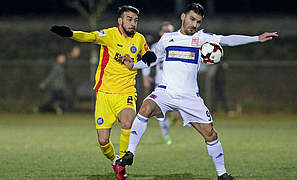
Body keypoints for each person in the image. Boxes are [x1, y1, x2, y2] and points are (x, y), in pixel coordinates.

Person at [116, 3, 278, 180]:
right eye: (192, 19)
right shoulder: (167, 38)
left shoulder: (202, 38)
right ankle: (130, 153)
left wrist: (256, 38)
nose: (194, 24)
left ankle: (222, 174)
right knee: (145, 108)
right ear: (183, 17)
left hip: (189, 97)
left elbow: (227, 39)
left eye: (198, 22)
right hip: (166, 91)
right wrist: (133, 65)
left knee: (211, 134)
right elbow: (152, 59)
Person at [50, 5, 156, 180]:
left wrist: (149, 57)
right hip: (105, 94)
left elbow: (148, 56)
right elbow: (89, 36)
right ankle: (115, 160)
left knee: (128, 121)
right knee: (103, 141)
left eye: (135, 20)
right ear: (120, 21)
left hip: (126, 92)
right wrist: (71, 34)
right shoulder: (109, 35)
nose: (133, 24)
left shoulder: (139, 39)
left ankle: (122, 161)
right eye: (129, 19)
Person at [142, 21, 176, 145]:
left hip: (177, 84)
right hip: (160, 84)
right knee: (161, 111)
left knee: (177, 113)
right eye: (166, 31)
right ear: (161, 33)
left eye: (170, 31)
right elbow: (148, 62)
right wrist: (145, 76)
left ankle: (172, 119)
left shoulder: (178, 45)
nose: (168, 34)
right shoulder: (156, 46)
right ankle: (166, 135)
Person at [65, 46, 81, 112]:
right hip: (68, 82)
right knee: (68, 96)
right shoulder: (68, 59)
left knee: (74, 96)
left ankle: (71, 110)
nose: (78, 53)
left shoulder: (78, 60)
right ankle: (67, 110)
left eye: (78, 51)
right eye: (76, 51)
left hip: (74, 82)